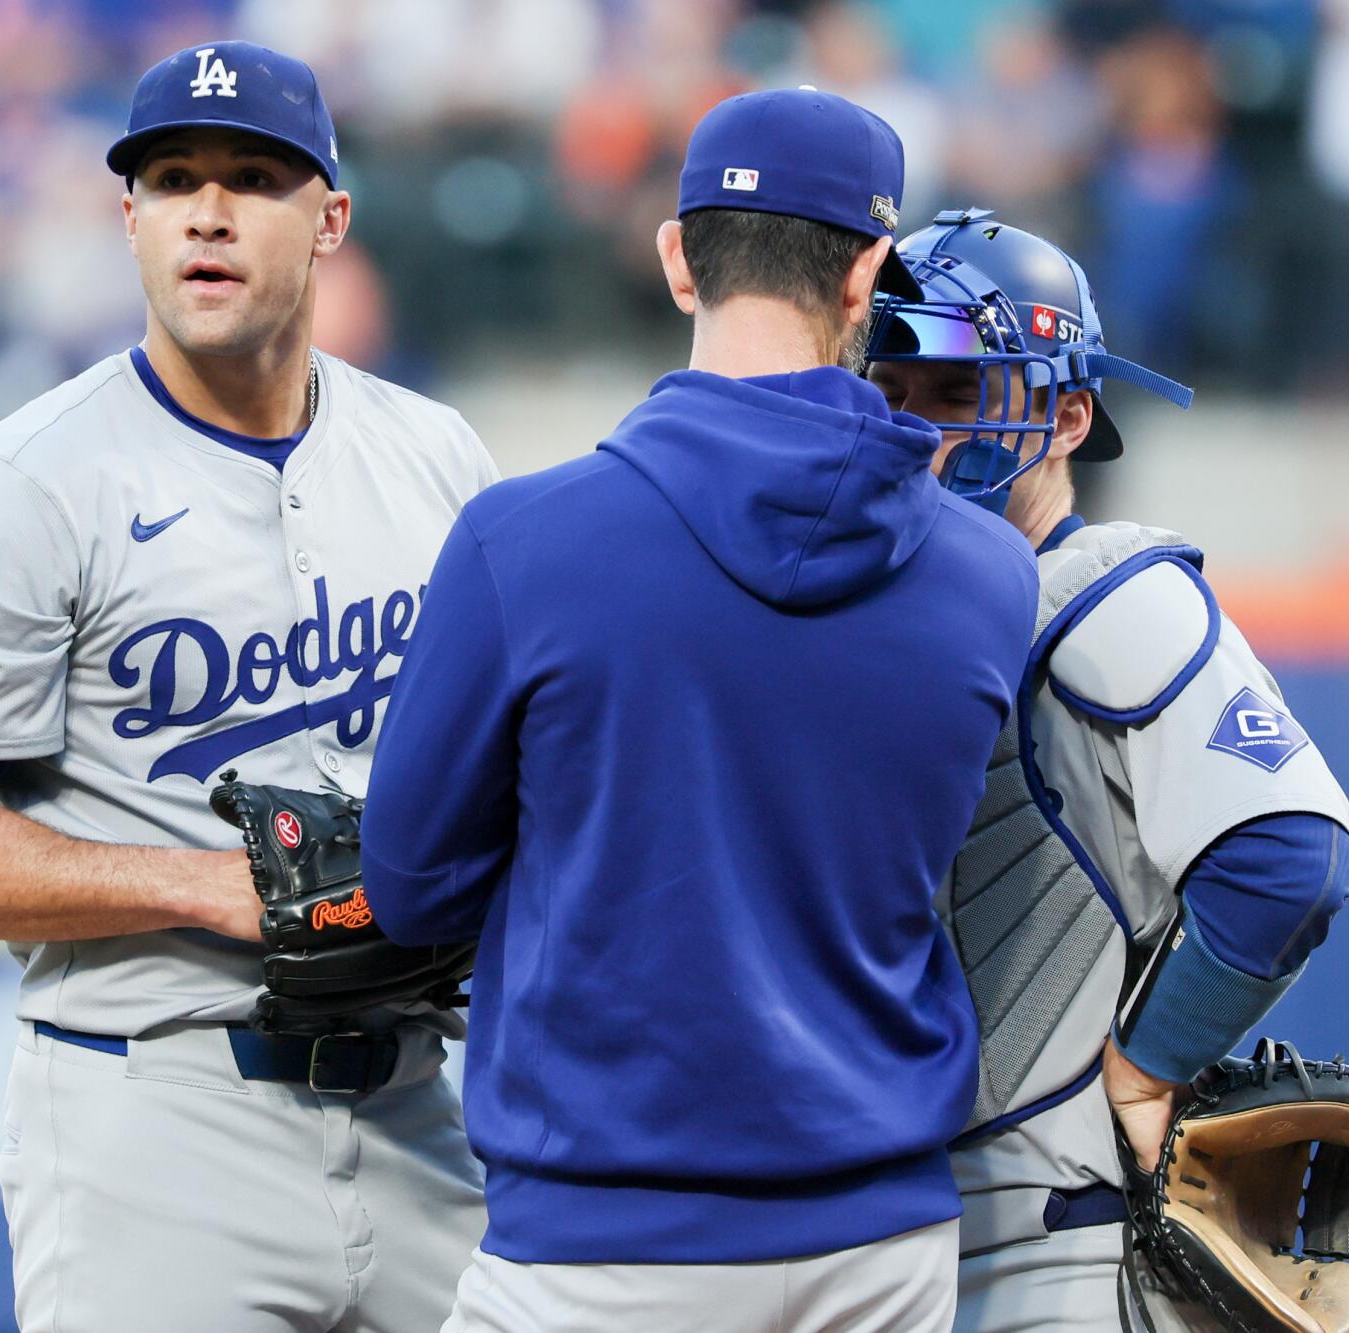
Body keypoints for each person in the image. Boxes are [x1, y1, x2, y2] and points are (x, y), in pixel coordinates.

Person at [0, 41, 499, 1332]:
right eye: (172, 177)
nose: (208, 209)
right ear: (128, 217)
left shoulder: (438, 456)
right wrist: (204, 885)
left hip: (424, 1109)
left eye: (253, 177)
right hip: (157, 1115)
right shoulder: (25, 483)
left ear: (330, 220)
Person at [358, 90, 1040, 1333]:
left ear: (674, 257)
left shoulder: (524, 541)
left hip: (598, 1242)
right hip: (882, 1244)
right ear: (867, 276)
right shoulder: (991, 575)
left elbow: (407, 891)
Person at [863, 208, 1349, 1331]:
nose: (917, 426)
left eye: (956, 391)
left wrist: (1146, 1064)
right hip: (899, 1239)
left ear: (1065, 414)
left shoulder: (1100, 591)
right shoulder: (875, 611)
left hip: (1056, 1240)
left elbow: (1288, 855)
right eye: (889, 388)